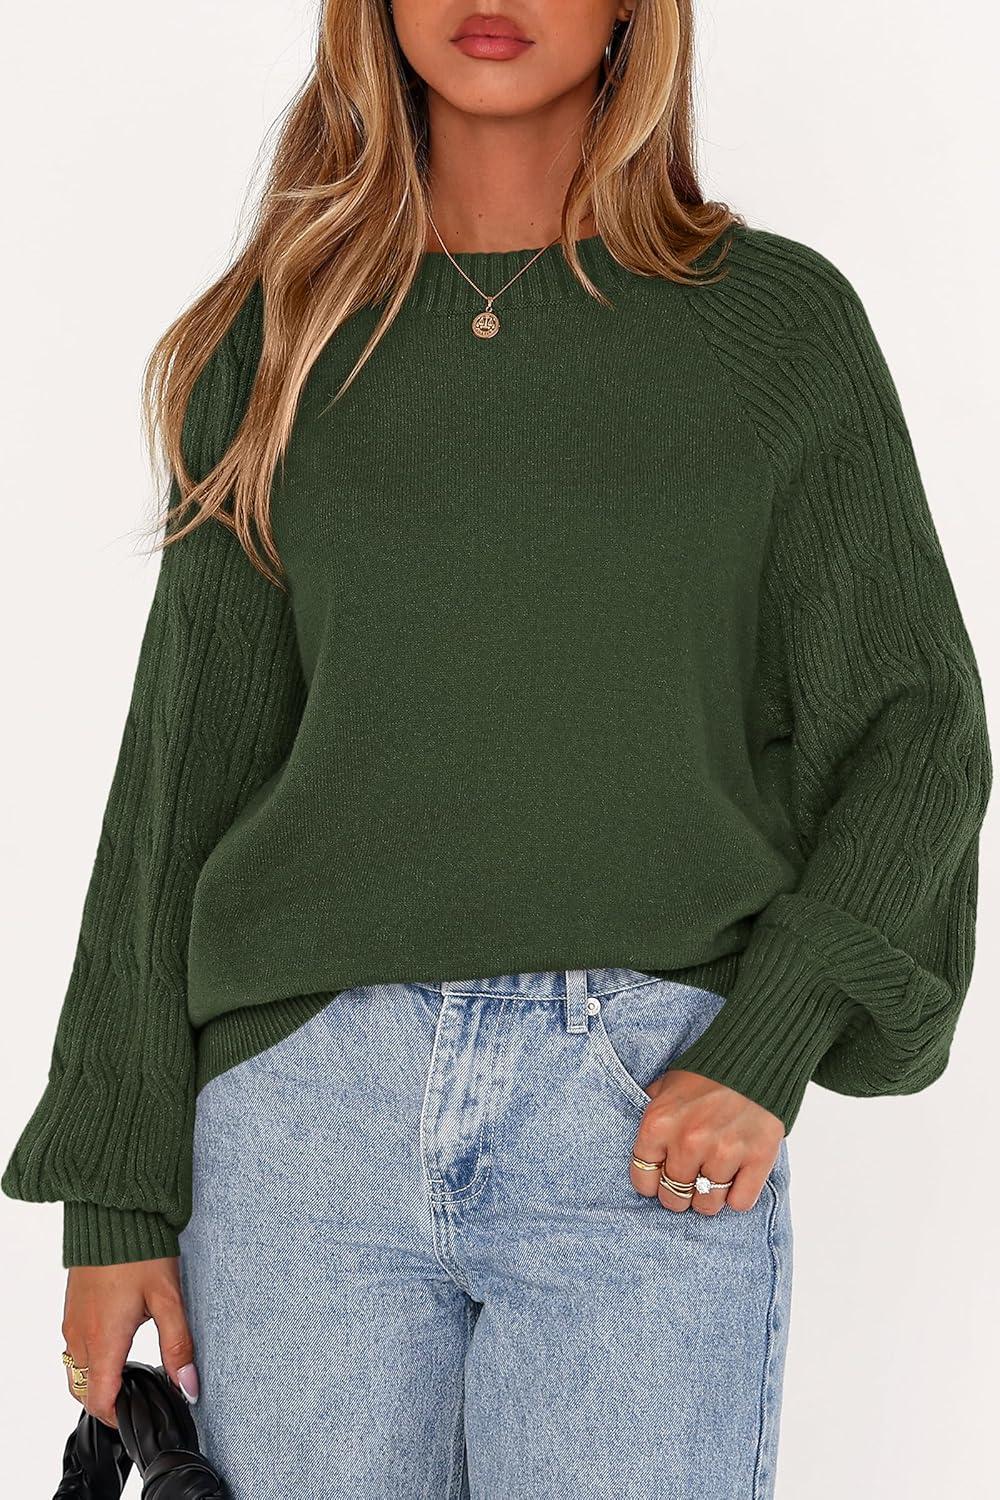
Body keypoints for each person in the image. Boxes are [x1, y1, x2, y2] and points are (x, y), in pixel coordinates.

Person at [3, 2, 991, 1496]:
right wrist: (114, 1197)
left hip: (641, 1115)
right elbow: (178, 777)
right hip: (300, 1127)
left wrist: (770, 1040)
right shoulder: (281, 338)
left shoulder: (773, 330)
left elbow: (916, 726)